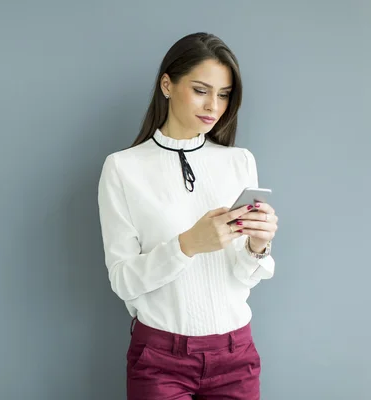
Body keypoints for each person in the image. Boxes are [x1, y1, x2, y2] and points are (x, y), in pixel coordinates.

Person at [97, 32, 278, 400]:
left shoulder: (239, 162)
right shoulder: (122, 169)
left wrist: (258, 246)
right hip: (160, 359)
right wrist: (187, 245)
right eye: (201, 89)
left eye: (224, 94)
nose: (213, 105)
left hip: (235, 355)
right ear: (167, 84)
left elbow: (242, 280)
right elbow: (123, 281)